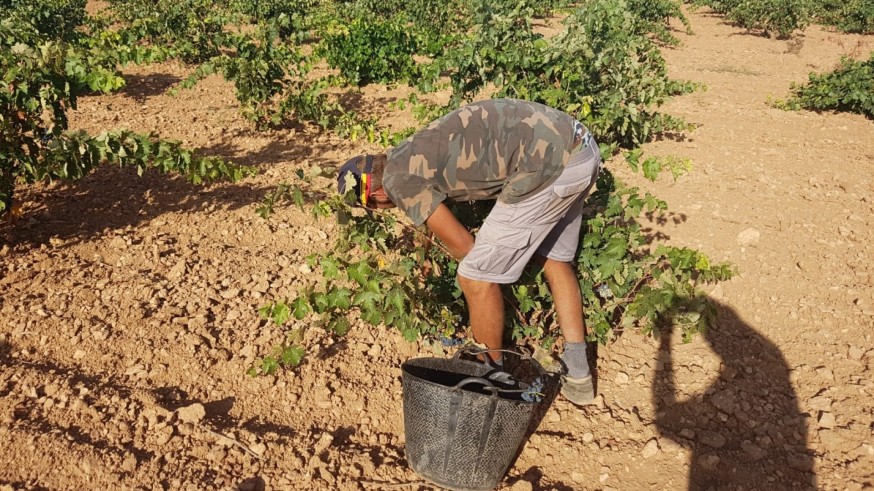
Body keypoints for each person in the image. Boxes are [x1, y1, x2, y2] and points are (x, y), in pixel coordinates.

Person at [337, 98, 602, 405]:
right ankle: (579, 376)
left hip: (546, 167)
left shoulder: (397, 182)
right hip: (580, 146)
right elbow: (430, 205)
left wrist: (478, 286)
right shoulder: (402, 155)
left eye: (374, 206)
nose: (383, 209)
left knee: (475, 277)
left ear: (374, 194)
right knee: (555, 259)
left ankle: (490, 382)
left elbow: (465, 247)